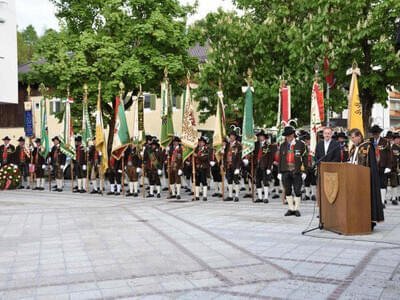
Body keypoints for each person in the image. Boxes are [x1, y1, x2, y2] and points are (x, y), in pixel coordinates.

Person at [348, 128, 384, 228]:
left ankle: (369, 222)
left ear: (359, 136)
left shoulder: (368, 146)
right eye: (351, 138)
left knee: (367, 200)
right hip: (353, 178)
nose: (352, 140)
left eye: (354, 137)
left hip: (365, 179)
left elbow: (372, 164)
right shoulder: (353, 147)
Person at [278, 126, 308, 217]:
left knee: (297, 190)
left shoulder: (301, 144)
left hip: (297, 170)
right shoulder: (283, 145)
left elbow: (305, 158)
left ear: (293, 135)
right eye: (286, 136)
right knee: (287, 189)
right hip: (285, 170)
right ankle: (291, 208)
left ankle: (297, 209)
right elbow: (280, 159)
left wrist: (305, 171)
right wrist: (279, 172)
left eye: (289, 135)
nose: (287, 138)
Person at [369, 125, 391, 207]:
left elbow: (389, 155)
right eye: (374, 133)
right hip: (372, 166)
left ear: (379, 133)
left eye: (377, 133)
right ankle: (373, 201)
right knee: (372, 184)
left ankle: (381, 202)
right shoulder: (369, 141)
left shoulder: (385, 141)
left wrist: (388, 166)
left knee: (382, 184)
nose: (375, 135)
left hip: (382, 165)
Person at [254, 130, 276, 203]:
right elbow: (253, 155)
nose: (260, 137)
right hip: (257, 165)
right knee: (257, 181)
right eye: (259, 136)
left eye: (262, 136)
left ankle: (266, 197)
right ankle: (260, 197)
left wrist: (269, 167)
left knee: (265, 181)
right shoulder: (255, 144)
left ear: (264, 137)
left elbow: (271, 157)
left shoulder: (269, 145)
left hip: (265, 166)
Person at [223, 131, 242, 202]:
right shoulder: (227, 145)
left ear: (235, 137)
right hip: (228, 165)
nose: (231, 137)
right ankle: (230, 195)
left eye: (232, 136)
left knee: (236, 180)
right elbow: (225, 155)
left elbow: (240, 157)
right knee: (229, 180)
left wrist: (238, 167)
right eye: (230, 136)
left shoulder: (238, 145)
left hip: (235, 165)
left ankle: (236, 195)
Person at [194, 136, 210, 201]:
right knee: (197, 181)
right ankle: (197, 196)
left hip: (203, 167)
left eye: (201, 142)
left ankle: (205, 196)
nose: (200, 143)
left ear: (204, 143)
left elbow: (204, 158)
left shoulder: (206, 150)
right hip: (197, 167)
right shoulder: (196, 149)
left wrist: (197, 155)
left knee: (204, 181)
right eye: (199, 142)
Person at [302, 133, 317, 201]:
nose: (307, 141)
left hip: (313, 165)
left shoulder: (314, 147)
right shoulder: (303, 147)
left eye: (309, 140)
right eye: (306, 140)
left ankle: (313, 194)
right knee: (306, 180)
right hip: (306, 165)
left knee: (313, 180)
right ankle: (307, 194)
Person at [387, 132, 400, 205]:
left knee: (394, 183)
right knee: (384, 184)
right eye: (389, 138)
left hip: (394, 168)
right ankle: (383, 199)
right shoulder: (385, 146)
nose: (390, 139)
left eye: (391, 138)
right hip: (385, 167)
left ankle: (394, 198)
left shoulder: (397, 148)